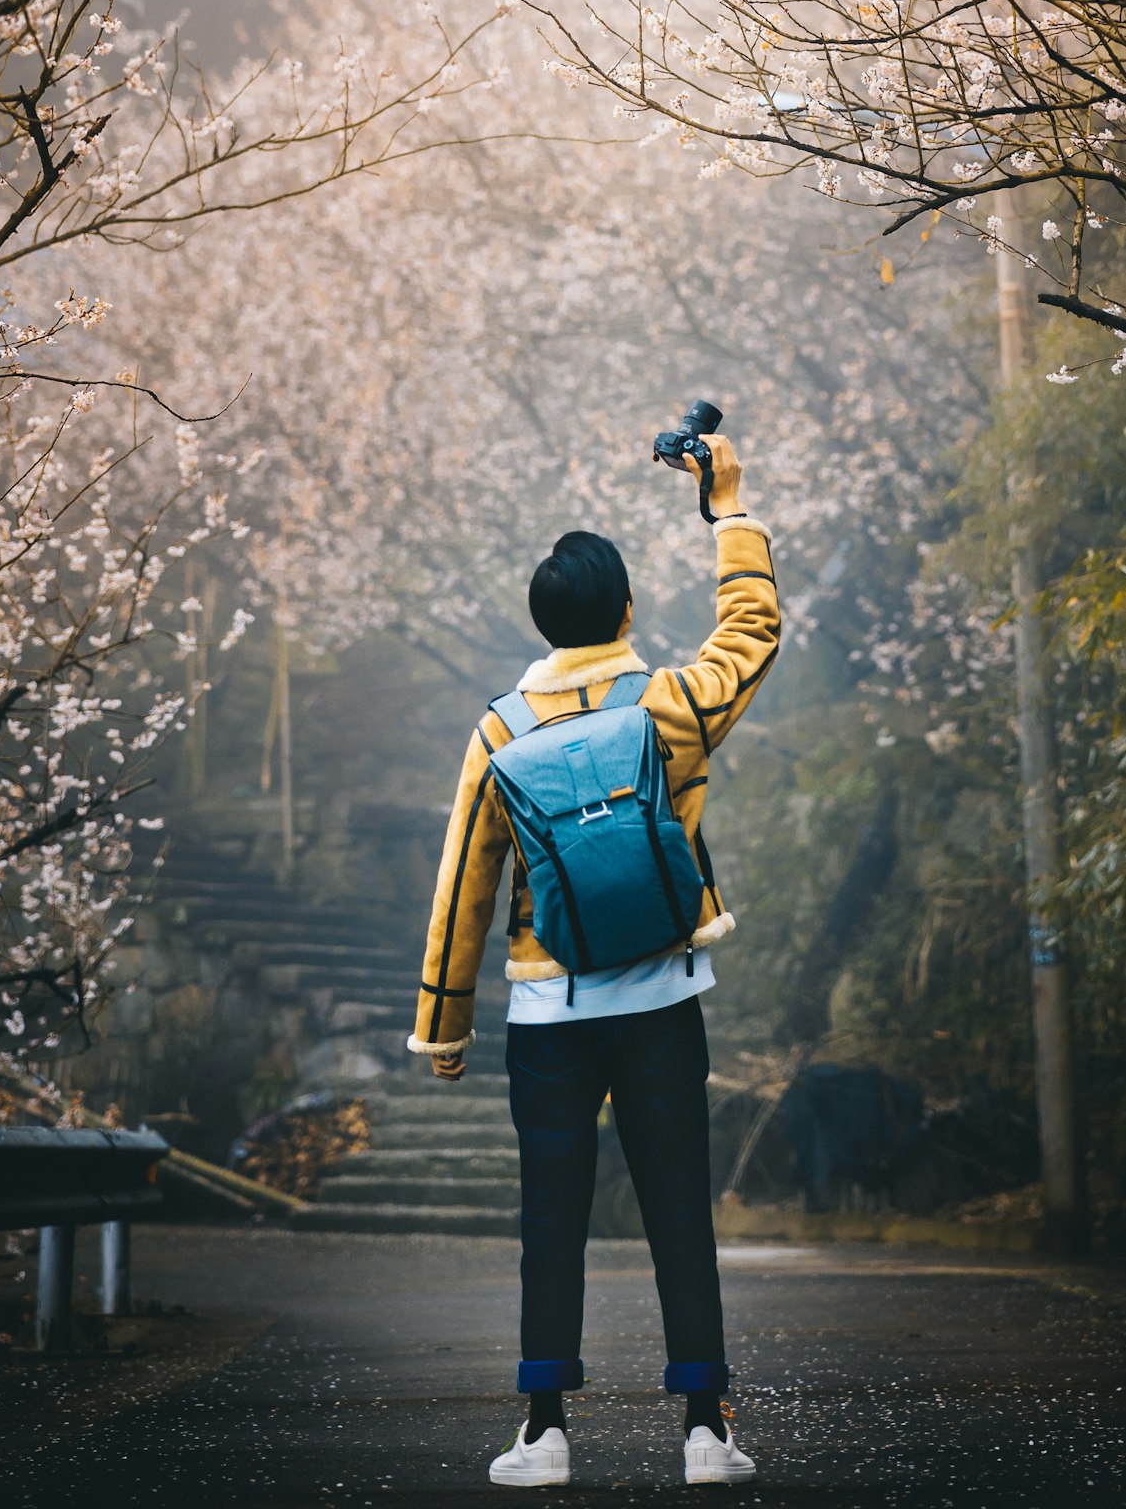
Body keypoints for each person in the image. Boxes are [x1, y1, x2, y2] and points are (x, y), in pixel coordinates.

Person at [407, 429, 779, 1488]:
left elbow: (462, 888)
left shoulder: (500, 732)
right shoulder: (667, 705)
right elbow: (754, 630)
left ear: (542, 622)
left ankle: (543, 1432)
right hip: (664, 996)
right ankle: (706, 1428)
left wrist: (443, 1026)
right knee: (677, 1204)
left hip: (547, 1011)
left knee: (551, 1215)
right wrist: (728, 508)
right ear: (623, 613)